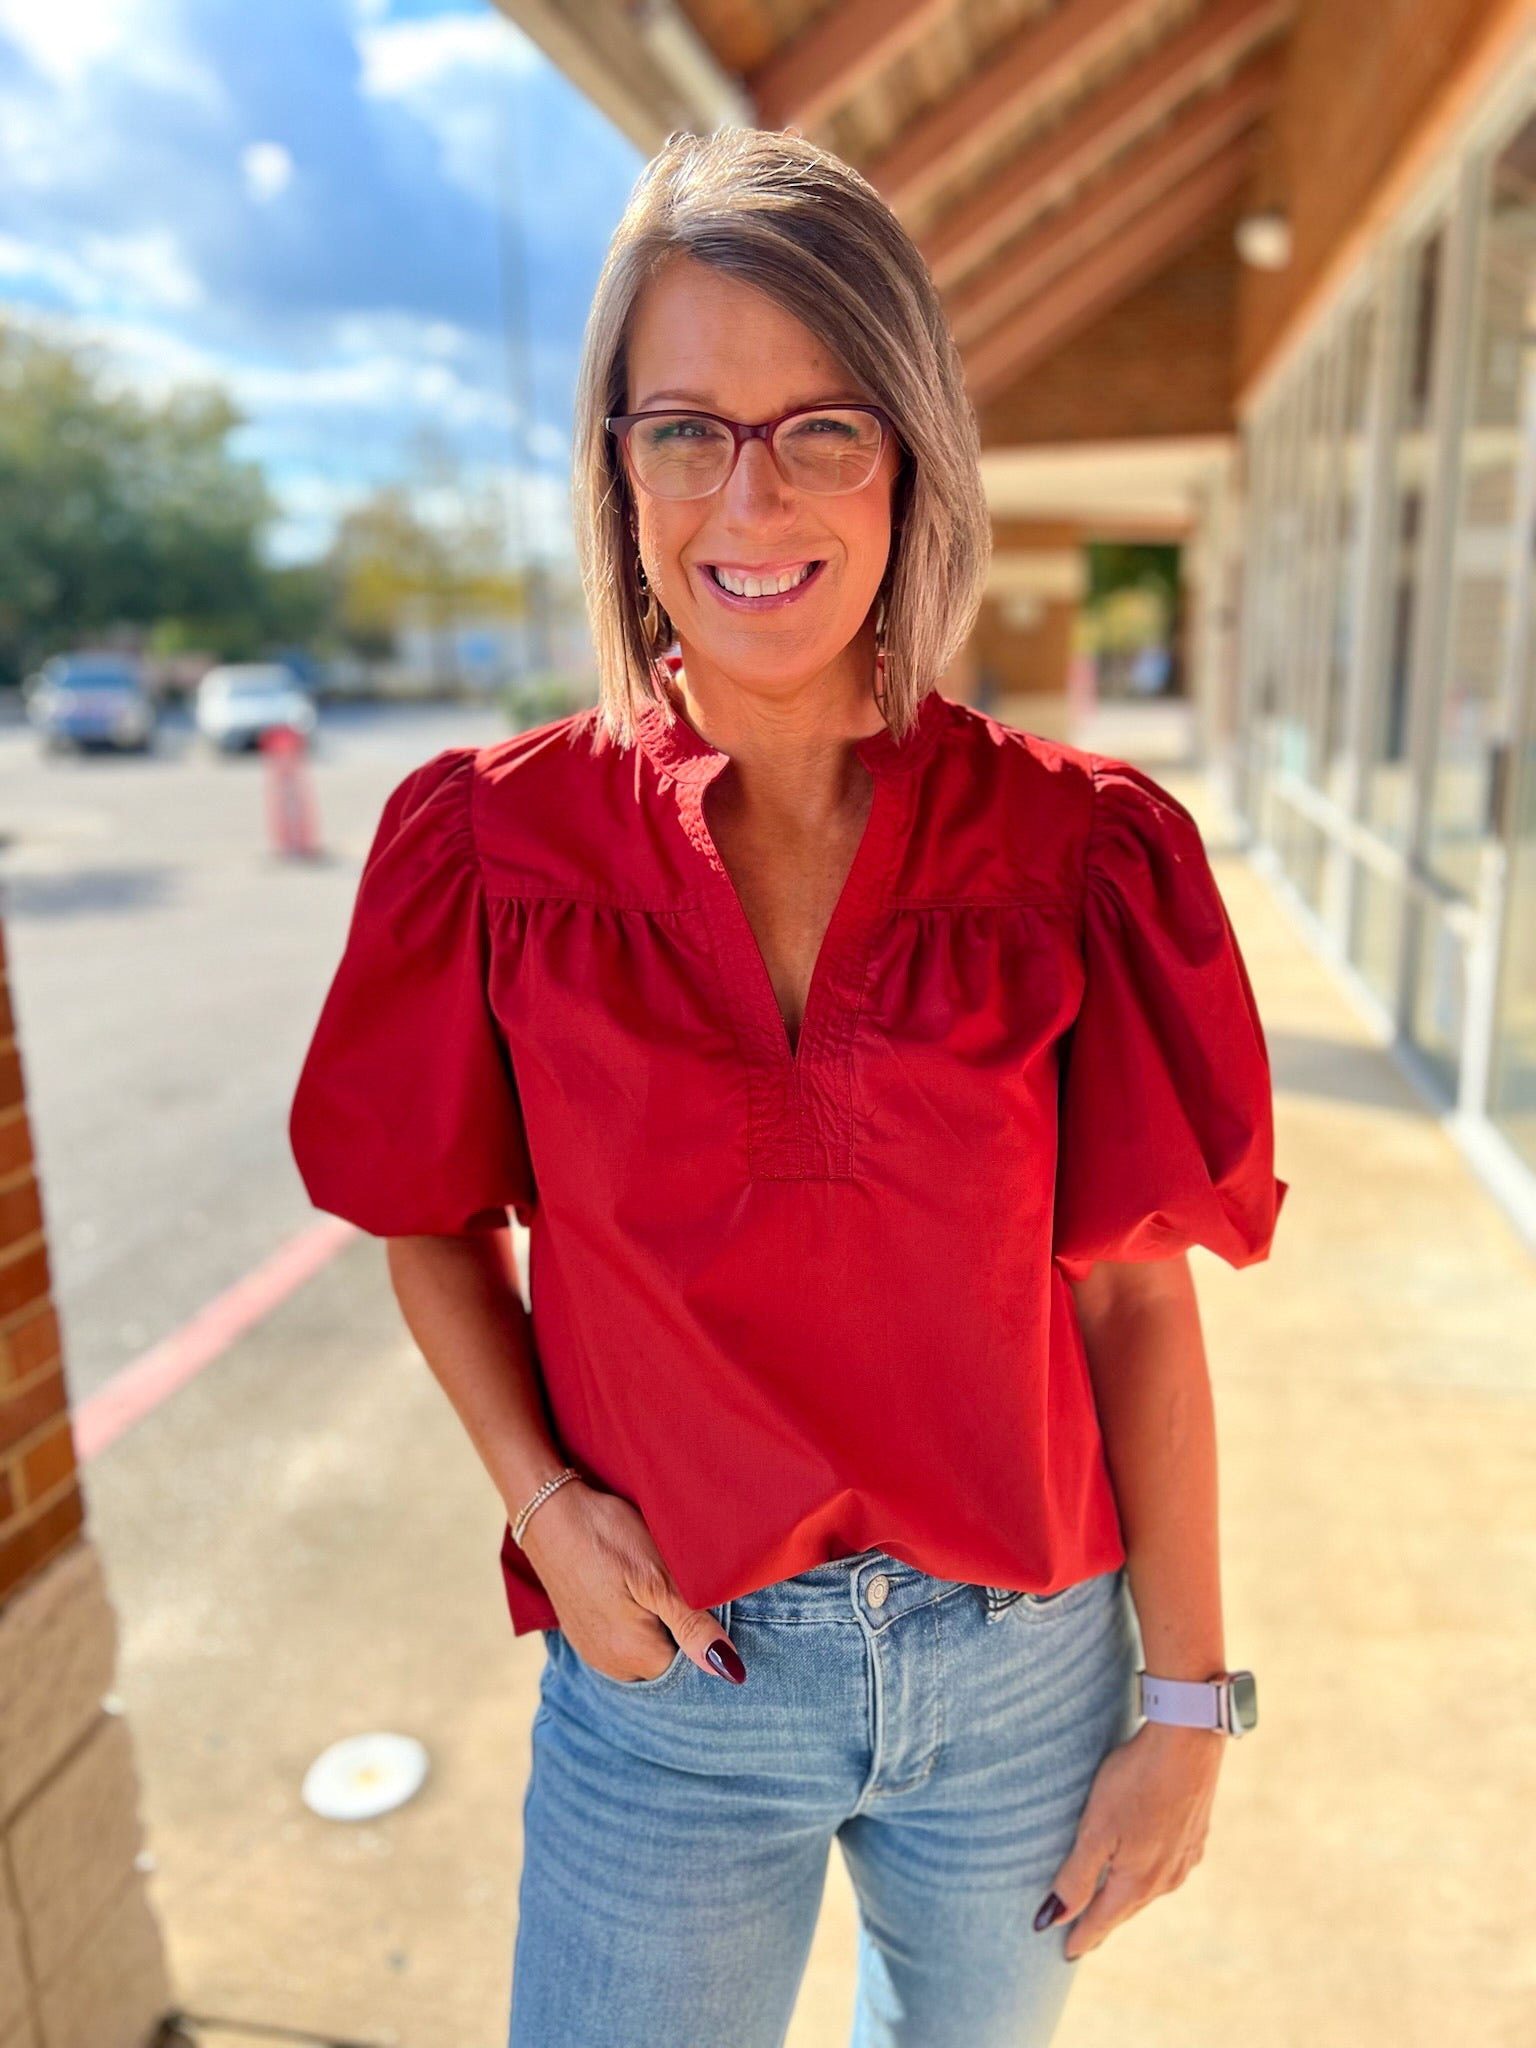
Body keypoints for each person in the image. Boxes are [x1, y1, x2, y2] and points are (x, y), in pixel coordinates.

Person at [289, 127, 1288, 2048]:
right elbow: (425, 1228)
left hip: (1025, 1677)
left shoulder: (1082, 850)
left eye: (822, 426)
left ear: (912, 459)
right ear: (621, 467)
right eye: (686, 429)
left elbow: (1137, 1301)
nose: (751, 495)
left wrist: (1187, 1711)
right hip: (673, 1686)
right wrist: (549, 1515)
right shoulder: (491, 850)